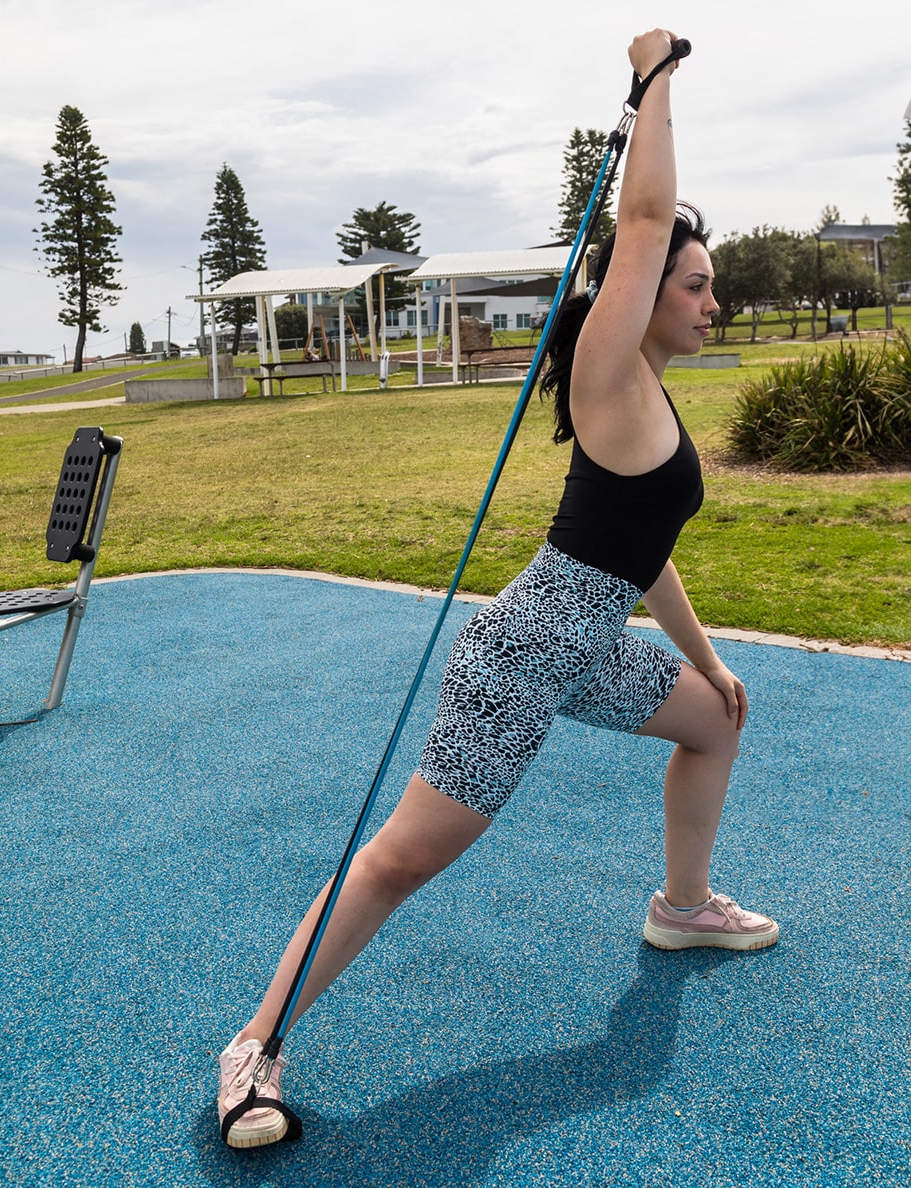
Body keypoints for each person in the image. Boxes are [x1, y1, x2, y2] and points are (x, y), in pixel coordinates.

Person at [218, 27, 779, 1150]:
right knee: (398, 863)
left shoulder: (651, 402)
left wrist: (709, 665)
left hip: (589, 643)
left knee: (710, 726)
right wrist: (656, 81)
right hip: (522, 656)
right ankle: (252, 1047)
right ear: (646, 294)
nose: (713, 301)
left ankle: (681, 909)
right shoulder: (610, 373)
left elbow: (642, 552)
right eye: (699, 283)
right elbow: (636, 221)